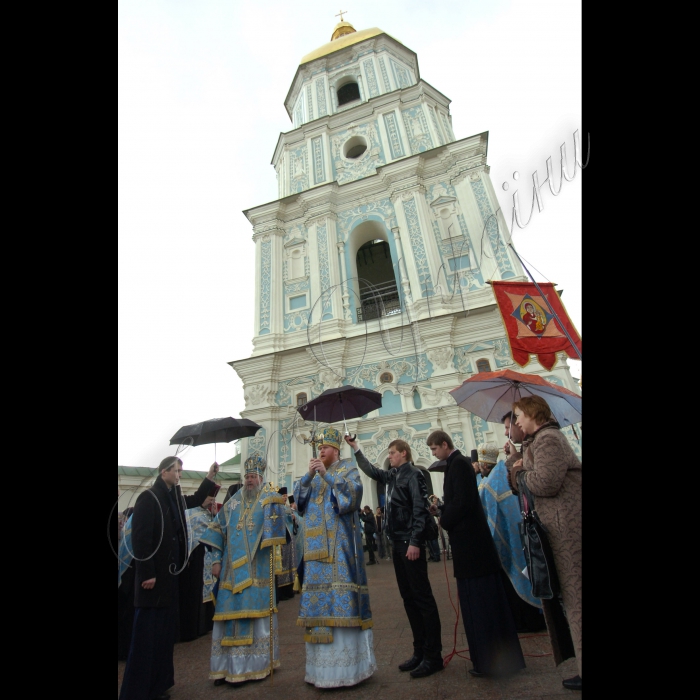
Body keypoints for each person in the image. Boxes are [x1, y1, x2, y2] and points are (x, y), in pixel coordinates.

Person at [427, 430, 525, 678]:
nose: (433, 454)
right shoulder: (457, 464)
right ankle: (487, 658)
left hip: (472, 548)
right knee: (479, 602)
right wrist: (440, 508)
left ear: (445, 444)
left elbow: (463, 503)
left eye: (434, 449)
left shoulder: (458, 465)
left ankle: (490, 660)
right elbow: (458, 501)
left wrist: (444, 518)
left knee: (481, 604)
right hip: (470, 547)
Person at [119, 457, 219, 700]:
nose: (179, 475)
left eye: (181, 471)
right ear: (163, 471)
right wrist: (147, 574)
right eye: (176, 471)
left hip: (168, 579)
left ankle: (158, 685)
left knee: (163, 638)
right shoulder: (148, 498)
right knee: (146, 638)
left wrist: (209, 478)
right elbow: (141, 540)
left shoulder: (171, 497)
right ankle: (137, 691)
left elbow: (194, 501)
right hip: (152, 582)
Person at [345, 434, 444, 679]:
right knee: (408, 598)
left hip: (409, 544)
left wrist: (415, 541)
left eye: (392, 453)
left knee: (422, 598)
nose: (389, 456)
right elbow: (371, 470)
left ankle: (434, 656)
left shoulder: (414, 475)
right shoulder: (393, 476)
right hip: (397, 543)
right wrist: (356, 447)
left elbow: (420, 510)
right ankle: (419, 651)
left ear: (404, 454)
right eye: (388, 453)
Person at [508, 396, 582, 691]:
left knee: (577, 600)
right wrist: (518, 463)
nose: (516, 422)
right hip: (556, 528)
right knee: (571, 599)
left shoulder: (549, 439)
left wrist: (520, 470)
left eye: (518, 416)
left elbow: (545, 483)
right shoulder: (535, 442)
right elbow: (522, 484)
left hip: (567, 528)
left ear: (531, 413)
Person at [294, 428, 377, 688]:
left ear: (336, 451)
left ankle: (349, 668)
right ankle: (321, 671)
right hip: (316, 556)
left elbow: (352, 496)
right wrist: (309, 476)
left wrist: (327, 476)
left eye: (325, 449)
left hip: (340, 551)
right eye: (319, 450)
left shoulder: (347, 469)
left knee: (341, 602)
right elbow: (298, 501)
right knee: (320, 605)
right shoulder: (314, 476)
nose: (321, 452)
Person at [199, 454, 287, 686]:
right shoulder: (234, 502)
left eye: (254, 476)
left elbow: (279, 533)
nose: (249, 480)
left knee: (253, 619)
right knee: (228, 621)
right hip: (229, 574)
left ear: (261, 477)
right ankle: (225, 668)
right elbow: (216, 530)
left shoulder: (269, 499)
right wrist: (216, 561)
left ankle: (255, 666)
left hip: (257, 572)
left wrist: (277, 508)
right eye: (247, 476)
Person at [474, 441, 546, 633]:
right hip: (520, 532)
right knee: (526, 572)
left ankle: (524, 620)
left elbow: (487, 515)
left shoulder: (487, 484)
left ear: (484, 464)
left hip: (504, 536)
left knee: (512, 577)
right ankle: (534, 615)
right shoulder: (504, 474)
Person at [417, 463, 442, 562]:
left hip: (430, 525)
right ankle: (433, 555)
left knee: (433, 541)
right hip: (428, 525)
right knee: (430, 542)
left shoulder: (425, 501)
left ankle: (436, 555)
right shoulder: (424, 500)